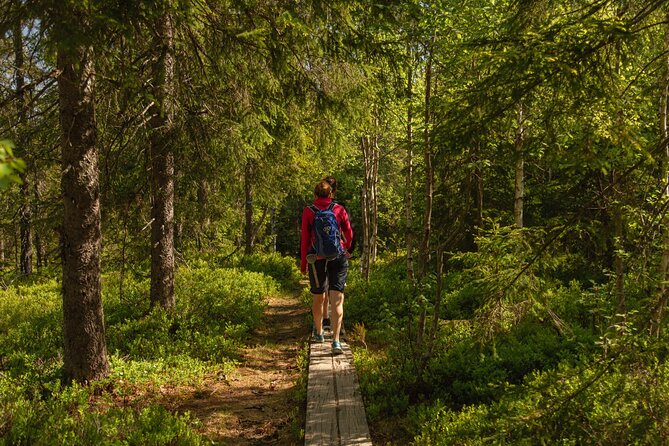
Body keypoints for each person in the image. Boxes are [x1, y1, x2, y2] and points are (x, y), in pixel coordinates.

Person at [301, 179, 353, 354]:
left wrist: (303, 263)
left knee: (318, 297)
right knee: (337, 299)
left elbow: (305, 240)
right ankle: (336, 341)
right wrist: (346, 247)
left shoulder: (308, 211)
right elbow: (349, 233)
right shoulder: (339, 209)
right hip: (338, 257)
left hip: (316, 258)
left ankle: (320, 333)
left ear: (315, 195)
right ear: (331, 194)